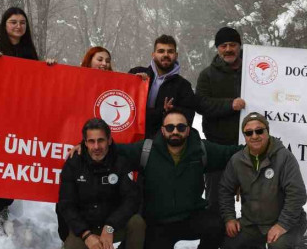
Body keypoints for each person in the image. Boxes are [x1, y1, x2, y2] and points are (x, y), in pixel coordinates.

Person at [113, 109, 242, 249]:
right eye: (170, 127)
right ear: (162, 130)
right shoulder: (146, 150)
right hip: (158, 223)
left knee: (216, 225)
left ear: (187, 130)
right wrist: (89, 148)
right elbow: (115, 152)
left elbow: (231, 153)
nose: (175, 131)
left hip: (191, 218)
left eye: (180, 127)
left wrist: (261, 145)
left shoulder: (200, 149)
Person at [0, 6, 52, 227]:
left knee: (14, 162)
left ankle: (5, 205)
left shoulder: (28, 50)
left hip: (19, 117)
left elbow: (36, 82)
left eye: (22, 22)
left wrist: (47, 68)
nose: (18, 26)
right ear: (4, 24)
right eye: (13, 22)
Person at [220, 113, 307, 249]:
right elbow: (225, 190)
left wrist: (282, 225)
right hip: (251, 224)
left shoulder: (284, 157)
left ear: (267, 131)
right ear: (245, 136)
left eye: (259, 131)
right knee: (230, 243)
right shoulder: (237, 160)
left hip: (287, 222)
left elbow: (297, 194)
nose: (254, 136)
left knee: (278, 246)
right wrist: (229, 218)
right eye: (249, 133)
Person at [56, 118, 145, 249]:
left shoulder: (121, 162)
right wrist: (86, 235)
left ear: (109, 140)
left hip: (112, 226)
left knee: (137, 223)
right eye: (91, 141)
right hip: (84, 229)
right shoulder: (73, 164)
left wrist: (110, 227)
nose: (96, 147)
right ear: (85, 143)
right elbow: (66, 204)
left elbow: (131, 200)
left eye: (101, 140)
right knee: (72, 246)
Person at [196, 27, 248, 214]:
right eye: (223, 45)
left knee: (254, 202)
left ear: (239, 46)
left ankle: (247, 241)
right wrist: (229, 105)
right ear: (217, 48)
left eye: (232, 45)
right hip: (216, 148)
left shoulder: (253, 71)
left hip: (249, 147)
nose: (228, 49)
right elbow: (201, 104)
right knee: (215, 204)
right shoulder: (207, 75)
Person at [128, 35, 199, 138]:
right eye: (161, 51)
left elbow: (188, 119)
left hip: (163, 143)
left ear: (176, 55)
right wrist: (132, 84)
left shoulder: (184, 86)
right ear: (153, 54)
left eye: (170, 51)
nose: (166, 55)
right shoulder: (136, 73)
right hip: (132, 137)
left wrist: (171, 111)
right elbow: (122, 99)